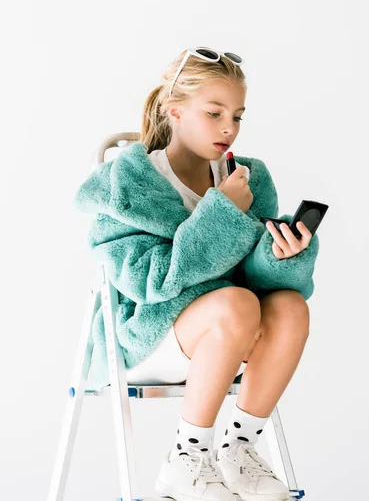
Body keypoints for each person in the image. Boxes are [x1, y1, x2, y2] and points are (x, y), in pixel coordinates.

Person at [74, 47, 320, 501]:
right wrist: (221, 213)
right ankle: (187, 458)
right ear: (176, 112)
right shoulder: (126, 186)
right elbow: (148, 282)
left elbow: (256, 282)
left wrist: (282, 255)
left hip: (231, 329)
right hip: (148, 334)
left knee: (289, 305)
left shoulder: (247, 178)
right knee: (236, 304)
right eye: (214, 113)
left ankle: (240, 448)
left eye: (238, 116)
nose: (230, 127)